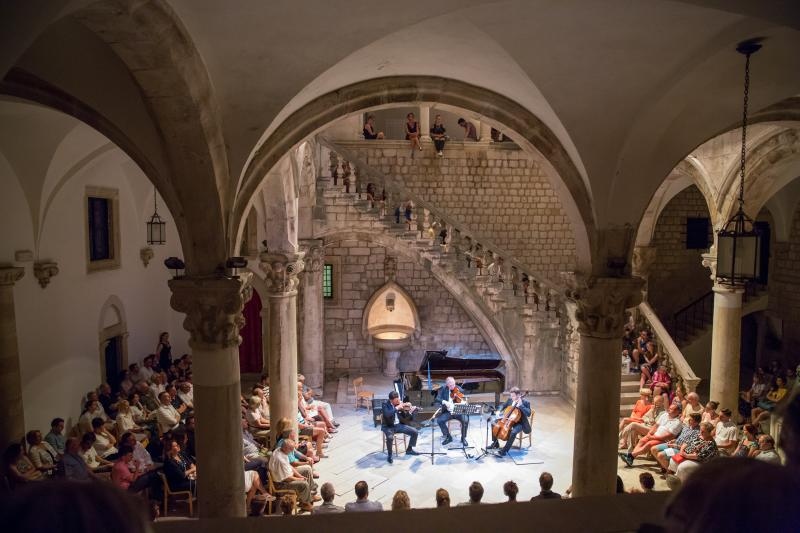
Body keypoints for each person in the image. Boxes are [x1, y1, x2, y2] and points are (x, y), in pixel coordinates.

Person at [269, 439, 315, 513]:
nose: (292, 450)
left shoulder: (280, 450)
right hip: (281, 484)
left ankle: (308, 496)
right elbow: (287, 478)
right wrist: (299, 479)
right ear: (285, 448)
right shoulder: (280, 460)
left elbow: (290, 466)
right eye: (291, 449)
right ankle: (305, 504)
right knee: (304, 484)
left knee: (307, 469)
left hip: (286, 476)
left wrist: (299, 476)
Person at [489, 387, 532, 456]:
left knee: (513, 432)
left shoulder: (525, 403)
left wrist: (521, 405)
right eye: (511, 396)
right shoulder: (510, 400)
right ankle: (495, 443)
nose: (511, 397)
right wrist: (499, 410)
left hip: (520, 423)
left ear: (518, 395)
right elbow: (502, 405)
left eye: (513, 396)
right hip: (508, 420)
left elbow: (529, 413)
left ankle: (504, 451)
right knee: (493, 422)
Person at [381, 390, 420, 463]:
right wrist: (396, 408)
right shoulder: (385, 404)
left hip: (398, 425)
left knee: (415, 432)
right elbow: (387, 414)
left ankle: (409, 449)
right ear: (391, 400)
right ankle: (389, 455)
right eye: (396, 400)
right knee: (390, 438)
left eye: (398, 399)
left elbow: (405, 417)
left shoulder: (399, 404)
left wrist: (407, 411)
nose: (398, 401)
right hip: (388, 426)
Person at [435, 376, 470, 446]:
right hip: (448, 412)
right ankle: (448, 436)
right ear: (447, 384)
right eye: (450, 385)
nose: (452, 386)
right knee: (439, 420)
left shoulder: (458, 389)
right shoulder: (443, 389)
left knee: (465, 420)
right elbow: (437, 398)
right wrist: (444, 402)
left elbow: (464, 399)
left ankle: (463, 438)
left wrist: (464, 402)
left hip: (458, 411)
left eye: (453, 384)